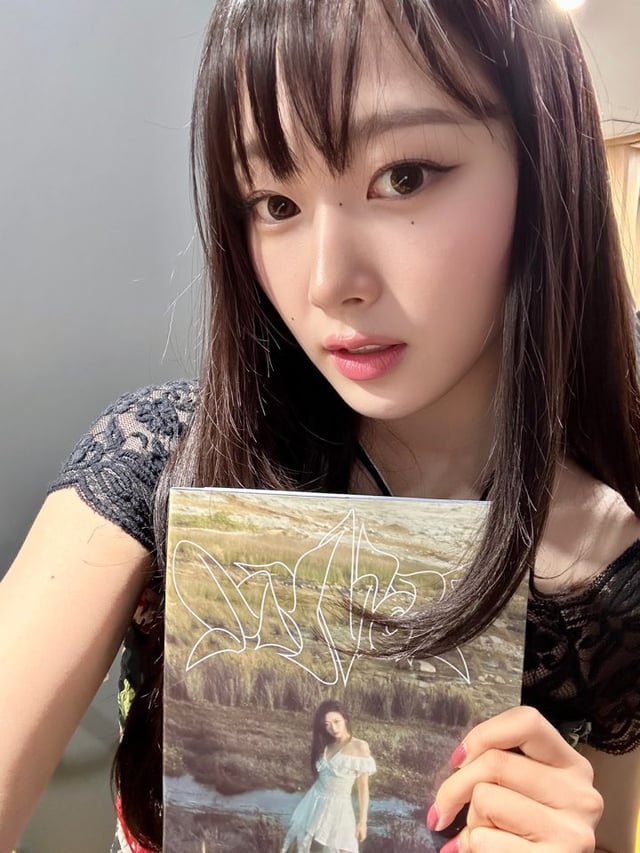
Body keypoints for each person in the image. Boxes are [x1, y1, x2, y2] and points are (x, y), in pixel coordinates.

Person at [1, 0, 639, 851]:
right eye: (275, 201)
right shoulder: (158, 460)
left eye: (404, 176)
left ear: (541, 165)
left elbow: (601, 815)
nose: (329, 281)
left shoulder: (607, 566)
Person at [281, 700, 375, 853]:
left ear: (345, 719)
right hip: (314, 802)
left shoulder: (360, 747)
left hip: (340, 807)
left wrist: (362, 822)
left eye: (337, 721)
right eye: (327, 724)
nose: (333, 728)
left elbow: (363, 788)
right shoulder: (326, 744)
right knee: (307, 846)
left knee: (346, 849)